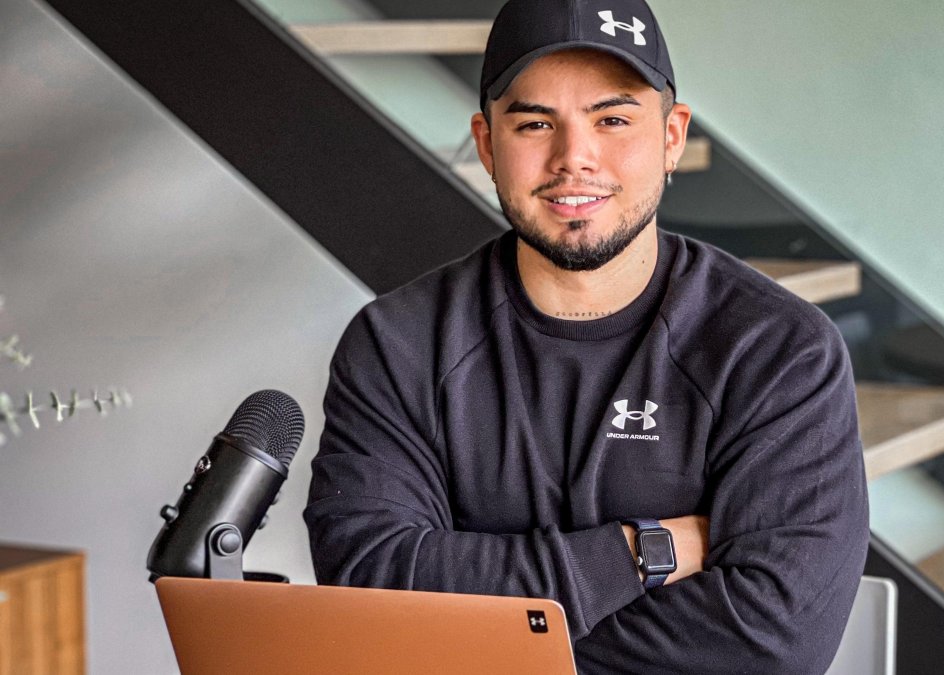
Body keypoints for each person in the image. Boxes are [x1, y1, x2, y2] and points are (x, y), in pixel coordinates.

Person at [304, 0, 868, 671]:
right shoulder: (398, 345)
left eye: (613, 119)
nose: (575, 158)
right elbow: (373, 593)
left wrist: (478, 626)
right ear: (487, 144)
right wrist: (642, 551)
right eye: (536, 122)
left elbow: (775, 640)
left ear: (671, 136)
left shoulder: (777, 350)